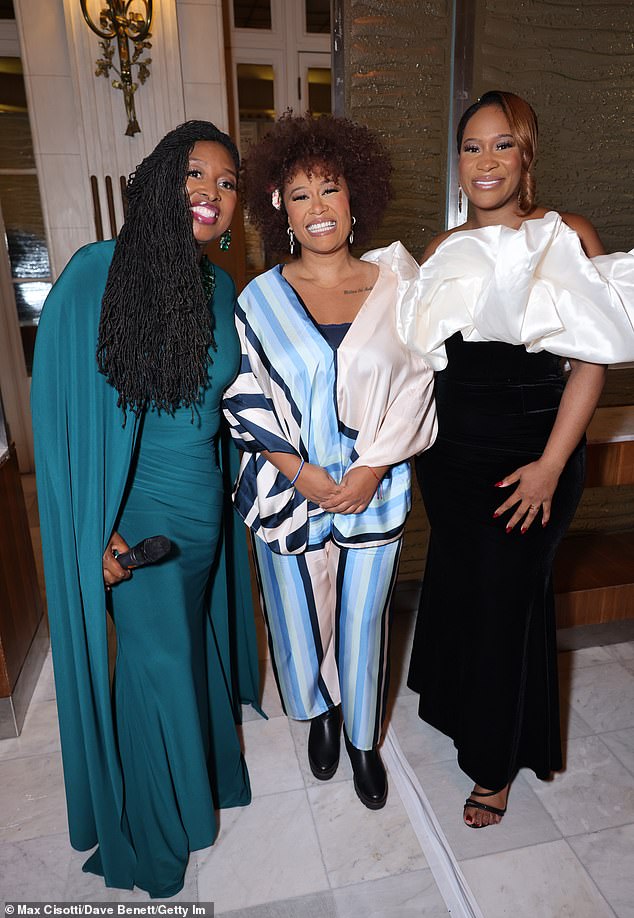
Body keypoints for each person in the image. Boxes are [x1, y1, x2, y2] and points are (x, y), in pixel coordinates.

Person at [31, 121, 260, 896]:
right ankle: (153, 842)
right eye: (195, 174)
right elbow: (59, 420)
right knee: (157, 670)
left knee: (188, 656)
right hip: (141, 525)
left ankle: (194, 800)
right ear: (161, 179)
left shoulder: (219, 286)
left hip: (205, 515)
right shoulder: (98, 272)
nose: (211, 193)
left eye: (227, 183)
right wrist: (87, 530)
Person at [402, 90, 634, 828]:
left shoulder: (565, 234)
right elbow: (423, 364)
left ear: (527, 154)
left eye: (503, 145)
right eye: (472, 147)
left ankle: (494, 766)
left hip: (535, 458)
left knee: (507, 602)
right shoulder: (441, 247)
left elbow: (592, 365)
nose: (486, 161)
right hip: (452, 462)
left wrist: (550, 465)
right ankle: (457, 708)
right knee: (467, 590)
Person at [223, 113, 437, 810]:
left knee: (364, 616)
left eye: (330, 188)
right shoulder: (257, 298)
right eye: (300, 193)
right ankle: (318, 714)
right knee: (296, 615)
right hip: (288, 491)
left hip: (373, 488)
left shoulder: (398, 287)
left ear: (355, 198)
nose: (318, 207)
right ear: (278, 206)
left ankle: (363, 740)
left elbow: (417, 385)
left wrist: (370, 469)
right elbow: (243, 390)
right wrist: (299, 470)